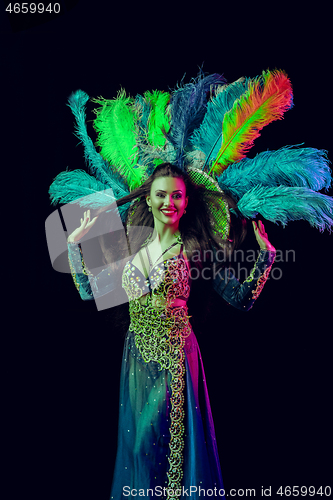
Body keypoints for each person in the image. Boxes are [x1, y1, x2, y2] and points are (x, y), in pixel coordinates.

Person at [66, 163, 276, 499]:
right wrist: (75, 244)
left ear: (187, 202)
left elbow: (241, 298)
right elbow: (89, 291)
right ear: (148, 200)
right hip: (136, 358)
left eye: (176, 195)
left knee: (167, 442)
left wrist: (266, 256)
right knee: (139, 448)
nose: (168, 202)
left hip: (176, 356)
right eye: (161, 194)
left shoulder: (196, 249)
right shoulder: (129, 248)